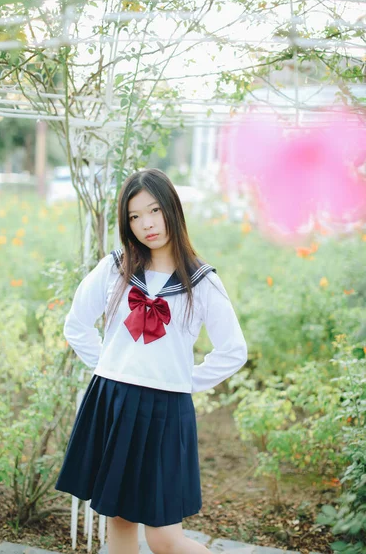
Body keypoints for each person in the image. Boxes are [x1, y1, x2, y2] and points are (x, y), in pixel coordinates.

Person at [55, 168, 248, 554]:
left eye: (154, 210)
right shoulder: (116, 267)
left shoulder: (201, 281)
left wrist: (183, 380)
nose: (147, 224)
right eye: (135, 216)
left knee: (164, 537)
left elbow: (233, 351)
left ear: (172, 210)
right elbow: (76, 325)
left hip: (165, 408)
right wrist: (110, 367)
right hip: (114, 400)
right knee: (120, 520)